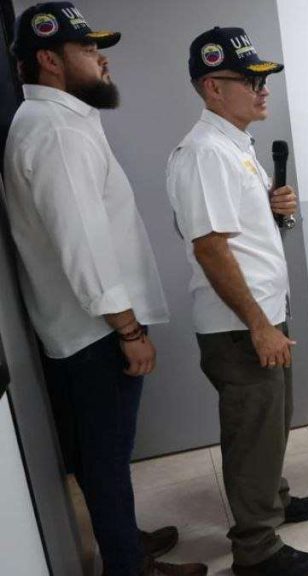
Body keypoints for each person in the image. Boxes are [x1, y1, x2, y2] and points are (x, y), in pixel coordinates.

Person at [2, 3, 205, 575]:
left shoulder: (62, 123)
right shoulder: (54, 131)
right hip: (96, 330)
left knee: (103, 456)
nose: (102, 58)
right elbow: (83, 246)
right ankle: (126, 565)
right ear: (49, 59)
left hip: (89, 325)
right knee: (106, 456)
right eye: (88, 49)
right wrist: (129, 328)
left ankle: (125, 544)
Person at [166, 26, 308, 576]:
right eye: (248, 78)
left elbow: (240, 237)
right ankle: (255, 550)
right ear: (212, 86)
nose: (262, 88)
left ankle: (273, 501)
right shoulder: (205, 152)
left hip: (261, 315)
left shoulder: (237, 147)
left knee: (270, 423)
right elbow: (209, 249)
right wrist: (259, 324)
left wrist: (276, 210)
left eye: (263, 78)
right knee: (253, 430)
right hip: (241, 325)